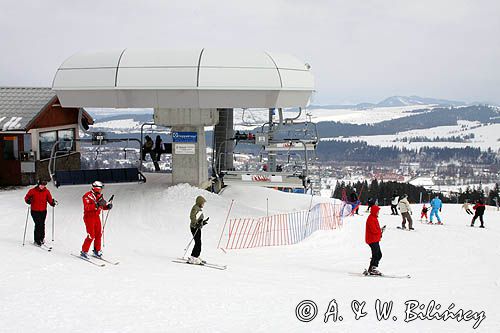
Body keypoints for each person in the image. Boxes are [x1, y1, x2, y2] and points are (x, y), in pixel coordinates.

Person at [81, 181, 112, 259]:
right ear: (96, 188)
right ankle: (84, 251)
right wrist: (97, 205)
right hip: (89, 217)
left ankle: (96, 250)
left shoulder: (99, 196)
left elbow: (102, 206)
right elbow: (87, 207)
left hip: (96, 217)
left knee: (98, 234)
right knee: (91, 235)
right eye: (100, 188)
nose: (101, 190)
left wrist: (107, 206)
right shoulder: (87, 196)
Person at [24, 179, 57, 246]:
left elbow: (49, 199)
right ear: (38, 184)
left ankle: (42, 238)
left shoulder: (46, 191)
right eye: (41, 185)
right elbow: (26, 197)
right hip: (34, 210)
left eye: (44, 185)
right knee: (38, 224)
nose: (42, 186)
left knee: (42, 224)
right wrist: (28, 200)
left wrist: (52, 203)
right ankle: (36, 240)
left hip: (43, 211)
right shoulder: (32, 191)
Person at [188, 196, 209, 264]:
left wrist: (203, 222)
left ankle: (195, 256)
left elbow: (198, 219)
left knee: (198, 242)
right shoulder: (195, 208)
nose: (203, 204)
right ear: (199, 202)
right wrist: (196, 223)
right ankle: (194, 257)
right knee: (198, 243)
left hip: (197, 227)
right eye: (203, 203)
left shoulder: (198, 208)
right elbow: (192, 216)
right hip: (194, 227)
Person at [365, 205, 383, 276]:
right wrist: (380, 231)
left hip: (375, 239)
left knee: (379, 254)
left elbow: (376, 229)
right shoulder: (371, 219)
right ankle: (372, 269)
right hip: (372, 239)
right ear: (374, 211)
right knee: (376, 254)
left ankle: (372, 268)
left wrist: (380, 230)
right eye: (377, 211)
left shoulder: (374, 218)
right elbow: (374, 230)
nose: (378, 212)